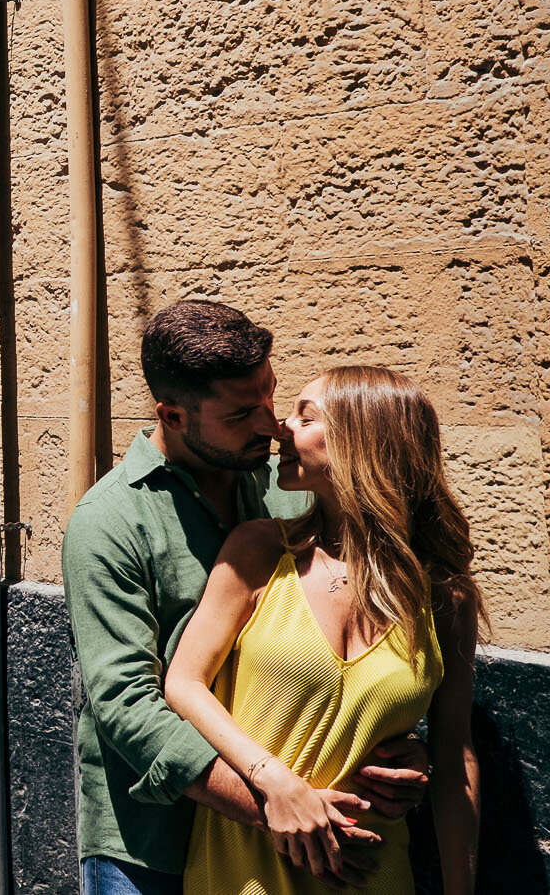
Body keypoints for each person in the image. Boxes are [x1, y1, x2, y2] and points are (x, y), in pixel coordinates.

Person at [62, 302, 429, 895]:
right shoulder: (108, 523)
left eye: (270, 397)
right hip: (154, 841)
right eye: (241, 413)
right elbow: (128, 704)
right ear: (173, 415)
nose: (271, 425)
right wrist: (274, 806)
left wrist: (407, 753)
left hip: (303, 842)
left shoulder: (290, 484)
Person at [165, 366, 482, 895]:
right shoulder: (259, 551)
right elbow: (183, 683)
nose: (280, 428)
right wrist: (275, 785)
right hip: (242, 872)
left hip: (372, 875)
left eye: (305, 416)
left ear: (364, 441)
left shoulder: (444, 597)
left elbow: (455, 758)